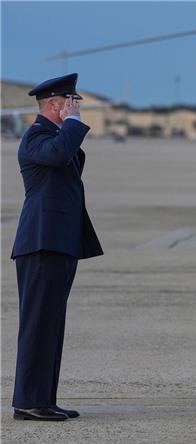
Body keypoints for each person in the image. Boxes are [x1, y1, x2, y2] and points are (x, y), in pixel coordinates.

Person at [10, 73, 103, 421]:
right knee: (37, 324)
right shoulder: (36, 137)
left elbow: (67, 157)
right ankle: (28, 401)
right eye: (71, 102)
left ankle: (43, 399)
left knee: (51, 324)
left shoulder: (54, 138)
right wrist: (72, 124)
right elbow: (60, 154)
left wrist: (69, 126)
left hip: (59, 242)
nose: (75, 108)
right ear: (54, 104)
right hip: (41, 242)